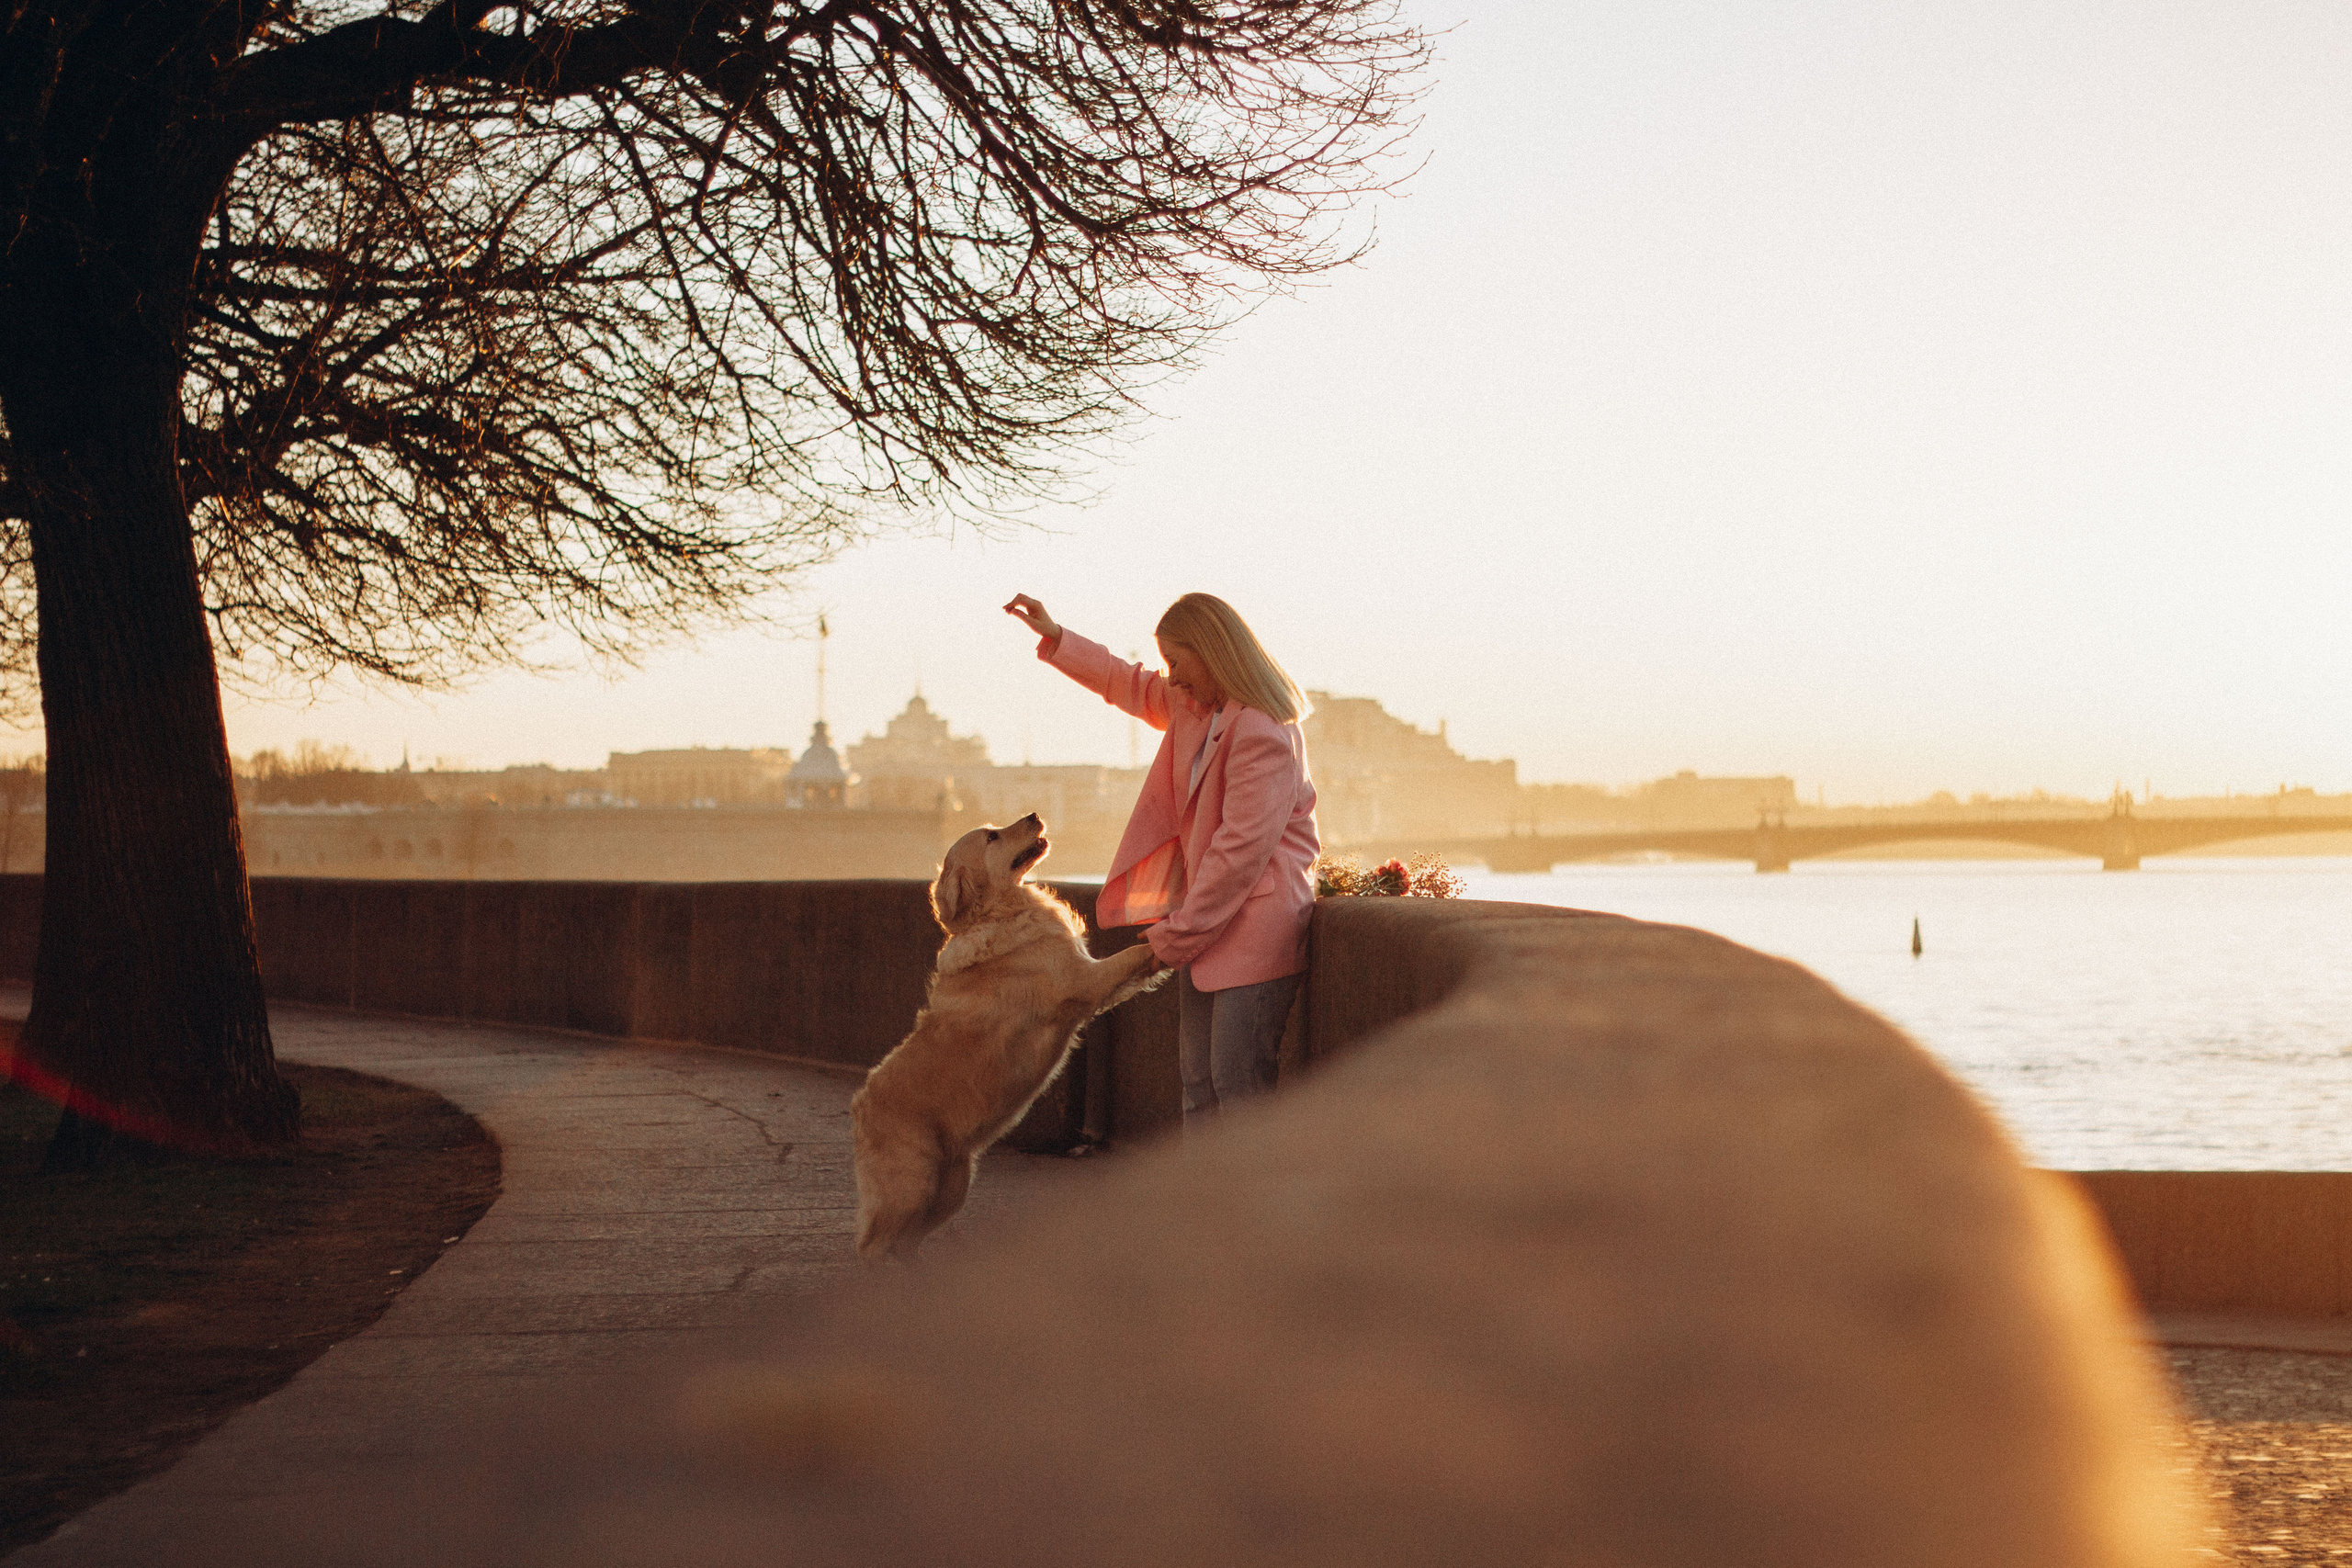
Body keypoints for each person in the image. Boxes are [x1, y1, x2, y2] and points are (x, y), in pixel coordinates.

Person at [1003, 591, 1319, 1127]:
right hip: (1206, 926)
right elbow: (1126, 682)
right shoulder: (1196, 708)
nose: (1170, 678)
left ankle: (1250, 1211)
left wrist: (1174, 936)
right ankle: (1200, 1209)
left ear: (1215, 651)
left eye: (1177, 662)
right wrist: (1056, 637)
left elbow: (1239, 854)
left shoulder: (1262, 732)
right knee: (1199, 1089)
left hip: (1255, 927)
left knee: (1238, 1088)